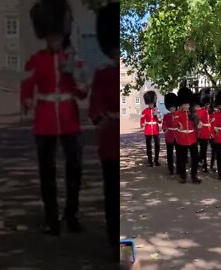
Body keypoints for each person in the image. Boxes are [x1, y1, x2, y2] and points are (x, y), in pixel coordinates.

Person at [21, 0, 87, 235]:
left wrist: (75, 74)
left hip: (70, 118)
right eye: (51, 37)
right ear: (45, 35)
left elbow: (82, 91)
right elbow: (27, 82)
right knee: (47, 173)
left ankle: (71, 215)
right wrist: (26, 99)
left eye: (57, 36)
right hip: (45, 120)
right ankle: (52, 219)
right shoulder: (37, 59)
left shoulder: (72, 59)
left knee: (74, 171)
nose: (54, 41)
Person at [88, 1, 118, 252]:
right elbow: (95, 108)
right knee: (111, 194)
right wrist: (101, 118)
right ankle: (113, 241)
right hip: (110, 142)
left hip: (112, 140)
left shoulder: (105, 73)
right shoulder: (103, 74)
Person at [174, 87, 200, 184]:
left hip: (192, 138)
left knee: (195, 158)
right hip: (182, 139)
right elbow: (175, 123)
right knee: (182, 158)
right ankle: (183, 176)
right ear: (181, 104)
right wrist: (179, 126)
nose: (187, 106)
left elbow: (197, 124)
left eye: (188, 104)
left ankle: (194, 175)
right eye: (185, 104)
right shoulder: (178, 114)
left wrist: (199, 125)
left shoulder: (193, 114)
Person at [140, 91, 161, 167]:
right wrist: (142, 124)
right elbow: (142, 119)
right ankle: (150, 161)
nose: (151, 105)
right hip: (148, 130)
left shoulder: (157, 110)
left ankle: (156, 160)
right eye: (149, 103)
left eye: (151, 103)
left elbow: (159, 121)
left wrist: (157, 115)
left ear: (154, 102)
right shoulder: (145, 111)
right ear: (148, 103)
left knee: (157, 145)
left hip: (156, 129)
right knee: (148, 146)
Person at [195, 88, 212, 173]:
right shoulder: (200, 111)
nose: (208, 104)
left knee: (205, 150)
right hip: (202, 133)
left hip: (209, 132)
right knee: (203, 150)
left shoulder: (209, 111)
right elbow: (197, 121)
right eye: (207, 103)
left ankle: (201, 160)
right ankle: (204, 164)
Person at [162, 93, 179, 175]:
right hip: (169, 136)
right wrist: (165, 129)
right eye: (171, 108)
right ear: (169, 108)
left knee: (179, 153)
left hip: (178, 135)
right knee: (170, 153)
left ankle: (179, 168)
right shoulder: (166, 116)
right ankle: (171, 168)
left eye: (173, 107)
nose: (172, 109)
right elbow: (164, 124)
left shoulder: (179, 115)